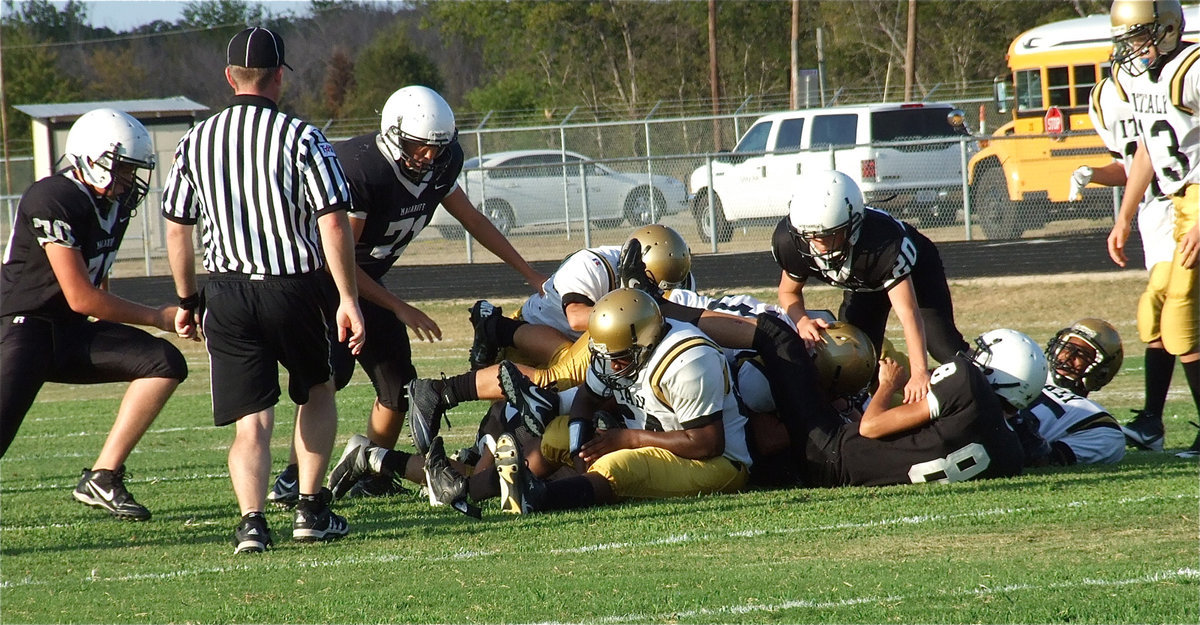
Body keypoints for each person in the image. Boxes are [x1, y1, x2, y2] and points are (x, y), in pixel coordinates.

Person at [264, 85, 545, 504]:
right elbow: (337, 259)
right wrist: (401, 307)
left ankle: (371, 469)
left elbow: (471, 217)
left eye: (436, 148)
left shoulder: (442, 163)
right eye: (419, 146)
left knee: (399, 388)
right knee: (326, 379)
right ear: (394, 133)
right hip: (326, 286)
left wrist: (529, 273)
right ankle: (292, 476)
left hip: (369, 289)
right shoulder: (362, 169)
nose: (429, 157)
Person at [162, 26, 365, 554]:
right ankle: (309, 508)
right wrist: (348, 298)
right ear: (279, 78)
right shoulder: (302, 136)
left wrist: (188, 300)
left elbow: (177, 227)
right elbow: (334, 222)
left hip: (225, 291)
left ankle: (252, 522)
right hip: (291, 287)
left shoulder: (196, 140)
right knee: (316, 389)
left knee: (252, 421)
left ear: (231, 78)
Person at [403, 288, 752, 515]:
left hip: (718, 462)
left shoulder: (688, 360)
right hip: (656, 437)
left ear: (644, 343)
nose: (612, 364)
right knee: (557, 433)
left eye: (619, 357)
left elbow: (707, 442)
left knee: (620, 468)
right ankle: (466, 490)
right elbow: (586, 397)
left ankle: (538, 498)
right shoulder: (615, 349)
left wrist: (629, 439)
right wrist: (578, 440)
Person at [0, 108, 188, 521]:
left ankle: (103, 475)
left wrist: (121, 324)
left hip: (69, 332)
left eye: (132, 170)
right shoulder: (53, 197)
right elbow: (81, 296)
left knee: (163, 362)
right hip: (22, 328)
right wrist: (157, 317)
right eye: (121, 169)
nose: (128, 181)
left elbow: (98, 277)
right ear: (90, 158)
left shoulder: (114, 205)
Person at [402, 224, 692, 456]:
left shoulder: (676, 279)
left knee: (523, 423)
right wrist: (637, 313)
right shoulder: (594, 264)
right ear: (633, 264)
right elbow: (577, 318)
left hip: (576, 344)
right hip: (530, 338)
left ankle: (476, 454)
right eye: (653, 287)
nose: (657, 298)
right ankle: (442, 389)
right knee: (555, 382)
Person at [773, 170, 969, 404]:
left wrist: (919, 373)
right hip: (863, 285)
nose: (818, 244)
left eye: (828, 235)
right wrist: (801, 320)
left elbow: (908, 313)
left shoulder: (881, 243)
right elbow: (788, 292)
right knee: (849, 360)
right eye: (810, 236)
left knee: (945, 348)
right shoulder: (791, 242)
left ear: (852, 224)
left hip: (915, 275)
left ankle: (991, 390)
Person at [1105, 0, 1200, 455]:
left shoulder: (1192, 69)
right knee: (1158, 307)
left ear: (1165, 30)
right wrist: (1124, 215)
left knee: (1182, 312)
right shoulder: (1139, 77)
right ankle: (1151, 422)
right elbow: (1147, 146)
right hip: (1177, 203)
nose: (1131, 49)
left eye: (1138, 37)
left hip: (1198, 201)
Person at [1073, 72, 1184, 456]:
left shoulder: (1180, 75)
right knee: (1163, 319)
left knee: (1167, 309)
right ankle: (1151, 421)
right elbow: (1136, 161)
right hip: (1154, 216)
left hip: (1185, 203)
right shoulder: (1104, 98)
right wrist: (1095, 176)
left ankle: (1153, 420)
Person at [1009, 319, 1126, 467]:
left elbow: (1044, 459)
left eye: (1081, 355)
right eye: (1066, 348)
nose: (1067, 357)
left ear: (1101, 370)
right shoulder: (1023, 371)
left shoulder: (1097, 421)